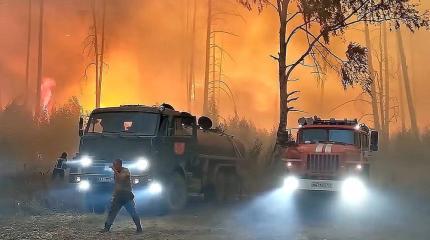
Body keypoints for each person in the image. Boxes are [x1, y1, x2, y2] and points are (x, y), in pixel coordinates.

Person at [100, 159, 142, 233]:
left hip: (126, 195)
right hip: (118, 195)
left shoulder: (125, 171)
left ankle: (139, 228)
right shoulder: (116, 172)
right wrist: (114, 194)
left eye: (115, 165)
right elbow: (117, 185)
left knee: (132, 212)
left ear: (119, 165)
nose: (114, 166)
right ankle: (107, 228)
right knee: (112, 212)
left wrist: (114, 171)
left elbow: (121, 178)